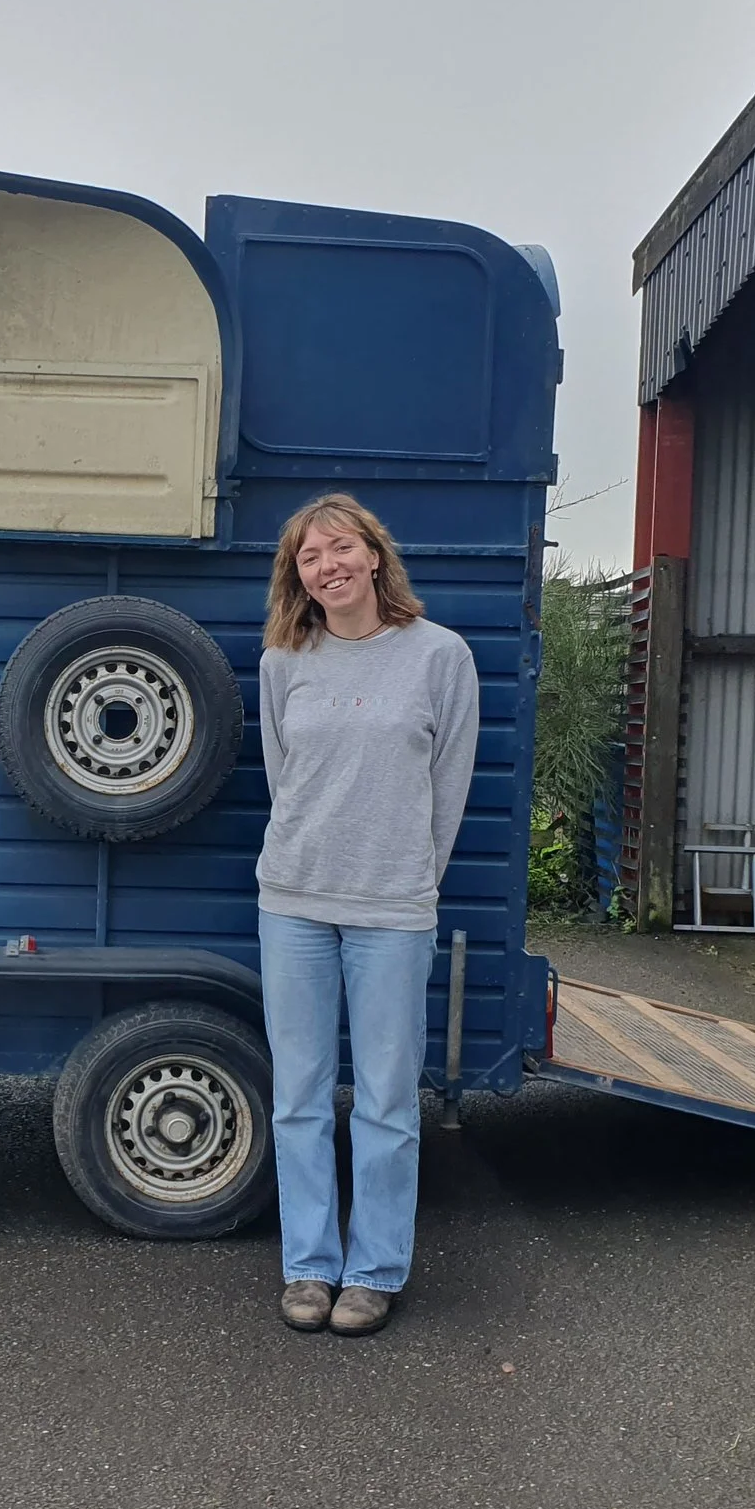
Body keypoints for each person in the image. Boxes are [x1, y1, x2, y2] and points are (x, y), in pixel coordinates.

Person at [254, 493, 480, 1336]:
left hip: (392, 909)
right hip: (295, 903)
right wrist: (314, 857)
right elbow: (287, 780)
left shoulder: (439, 657)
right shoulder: (285, 659)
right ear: (299, 577)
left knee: (386, 1099)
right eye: (310, 558)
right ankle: (309, 1267)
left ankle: (374, 1270)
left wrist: (411, 880)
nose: (328, 566)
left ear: (374, 556)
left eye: (340, 548)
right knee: (300, 1095)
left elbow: (447, 788)